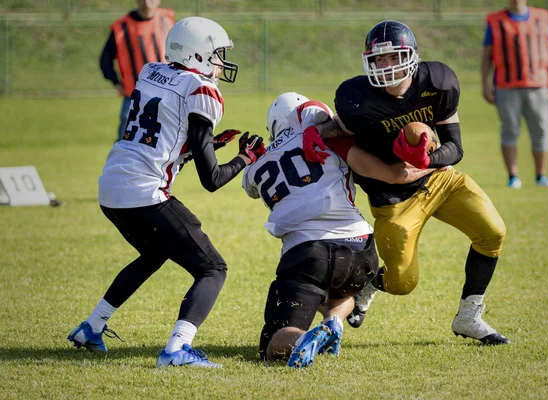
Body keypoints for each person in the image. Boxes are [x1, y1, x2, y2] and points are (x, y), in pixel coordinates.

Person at [68, 16, 266, 368]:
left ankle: (91, 327)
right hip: (144, 191)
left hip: (111, 184)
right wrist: (245, 158)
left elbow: (164, 135)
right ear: (198, 54)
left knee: (154, 253)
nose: (220, 62)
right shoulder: (202, 91)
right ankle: (177, 349)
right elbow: (213, 179)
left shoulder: (151, 71)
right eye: (216, 54)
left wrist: (204, 144)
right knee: (213, 268)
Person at [303, 20, 511, 345]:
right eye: (379, 59)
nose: (386, 66)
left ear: (411, 56)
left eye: (393, 57)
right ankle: (369, 284)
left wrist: (429, 161)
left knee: (492, 232)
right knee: (402, 282)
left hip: (439, 180)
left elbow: (455, 147)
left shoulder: (437, 82)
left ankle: (470, 315)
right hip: (394, 199)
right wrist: (315, 132)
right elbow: (342, 127)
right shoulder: (357, 98)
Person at [243, 92, 438, 368]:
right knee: (342, 291)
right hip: (361, 250)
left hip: (308, 254)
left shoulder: (256, 167)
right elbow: (320, 112)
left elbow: (250, 187)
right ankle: (333, 321)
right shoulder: (323, 135)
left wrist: (258, 155)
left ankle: (302, 340)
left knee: (273, 345)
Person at [481, 0, 548, 189]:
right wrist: (485, 84)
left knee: (540, 130)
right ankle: (513, 177)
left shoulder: (541, 17)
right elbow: (486, 56)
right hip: (506, 87)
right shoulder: (496, 21)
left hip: (538, 84)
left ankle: (541, 176)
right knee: (510, 130)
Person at [100, 0, 175, 142]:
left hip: (166, 95)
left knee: (168, 140)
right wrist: (115, 82)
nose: (147, 1)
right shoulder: (121, 27)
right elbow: (105, 59)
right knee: (125, 141)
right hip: (134, 96)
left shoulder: (168, 21)